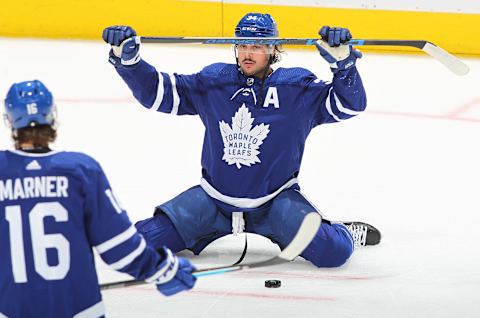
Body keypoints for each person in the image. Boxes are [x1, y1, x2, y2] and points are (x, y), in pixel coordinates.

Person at [101, 13, 381, 269]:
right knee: (137, 245)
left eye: (257, 46)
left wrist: (344, 66)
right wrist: (129, 63)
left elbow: (350, 105)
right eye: (242, 45)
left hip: (276, 204)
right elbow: (157, 93)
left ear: (273, 49)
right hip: (213, 202)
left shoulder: (296, 88)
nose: (247, 53)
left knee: (333, 251)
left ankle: (342, 229)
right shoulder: (214, 81)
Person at [0, 80, 196, 318]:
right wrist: (161, 268)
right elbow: (118, 247)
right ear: (52, 117)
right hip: (81, 310)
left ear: (9, 120)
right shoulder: (80, 170)